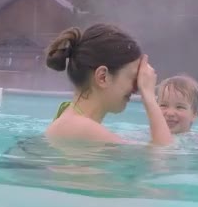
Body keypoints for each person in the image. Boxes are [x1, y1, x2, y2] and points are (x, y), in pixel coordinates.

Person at [44, 23, 173, 146]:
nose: (136, 87)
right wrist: (149, 96)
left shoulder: (71, 118)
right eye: (133, 77)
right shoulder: (81, 127)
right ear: (103, 77)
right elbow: (163, 158)